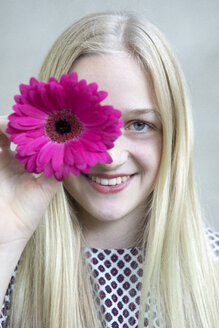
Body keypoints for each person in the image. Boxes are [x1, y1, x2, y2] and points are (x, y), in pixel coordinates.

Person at [0, 11, 218, 328]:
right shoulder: (10, 267)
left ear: (173, 136)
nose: (110, 157)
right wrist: (6, 240)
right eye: (82, 125)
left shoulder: (213, 268)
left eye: (140, 125)